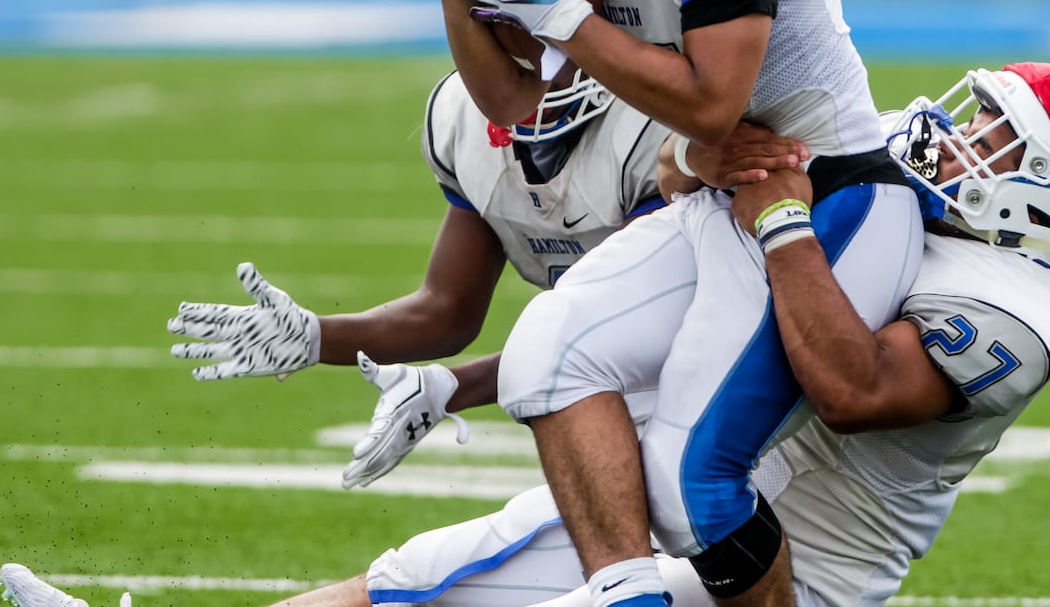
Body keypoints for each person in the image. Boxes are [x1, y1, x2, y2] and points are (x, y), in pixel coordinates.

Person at [0, 62, 1050, 607]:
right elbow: (682, 268)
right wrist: (705, 163)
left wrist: (789, 219)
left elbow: (848, 381)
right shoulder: (899, 191)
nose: (958, 135)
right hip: (686, 477)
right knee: (417, 578)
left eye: (999, 142)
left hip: (787, 570)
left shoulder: (1014, 317)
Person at [435, 0, 921, 607]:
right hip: (716, 197)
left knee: (694, 484)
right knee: (548, 355)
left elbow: (711, 102)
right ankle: (627, 594)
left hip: (832, 202)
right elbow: (515, 103)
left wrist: (557, 14)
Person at [164, 60, 671, 486]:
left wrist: (449, 387)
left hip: (693, 410)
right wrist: (318, 337)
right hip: (591, 421)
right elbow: (446, 309)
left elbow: (616, 331)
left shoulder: (647, 126)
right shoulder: (465, 121)